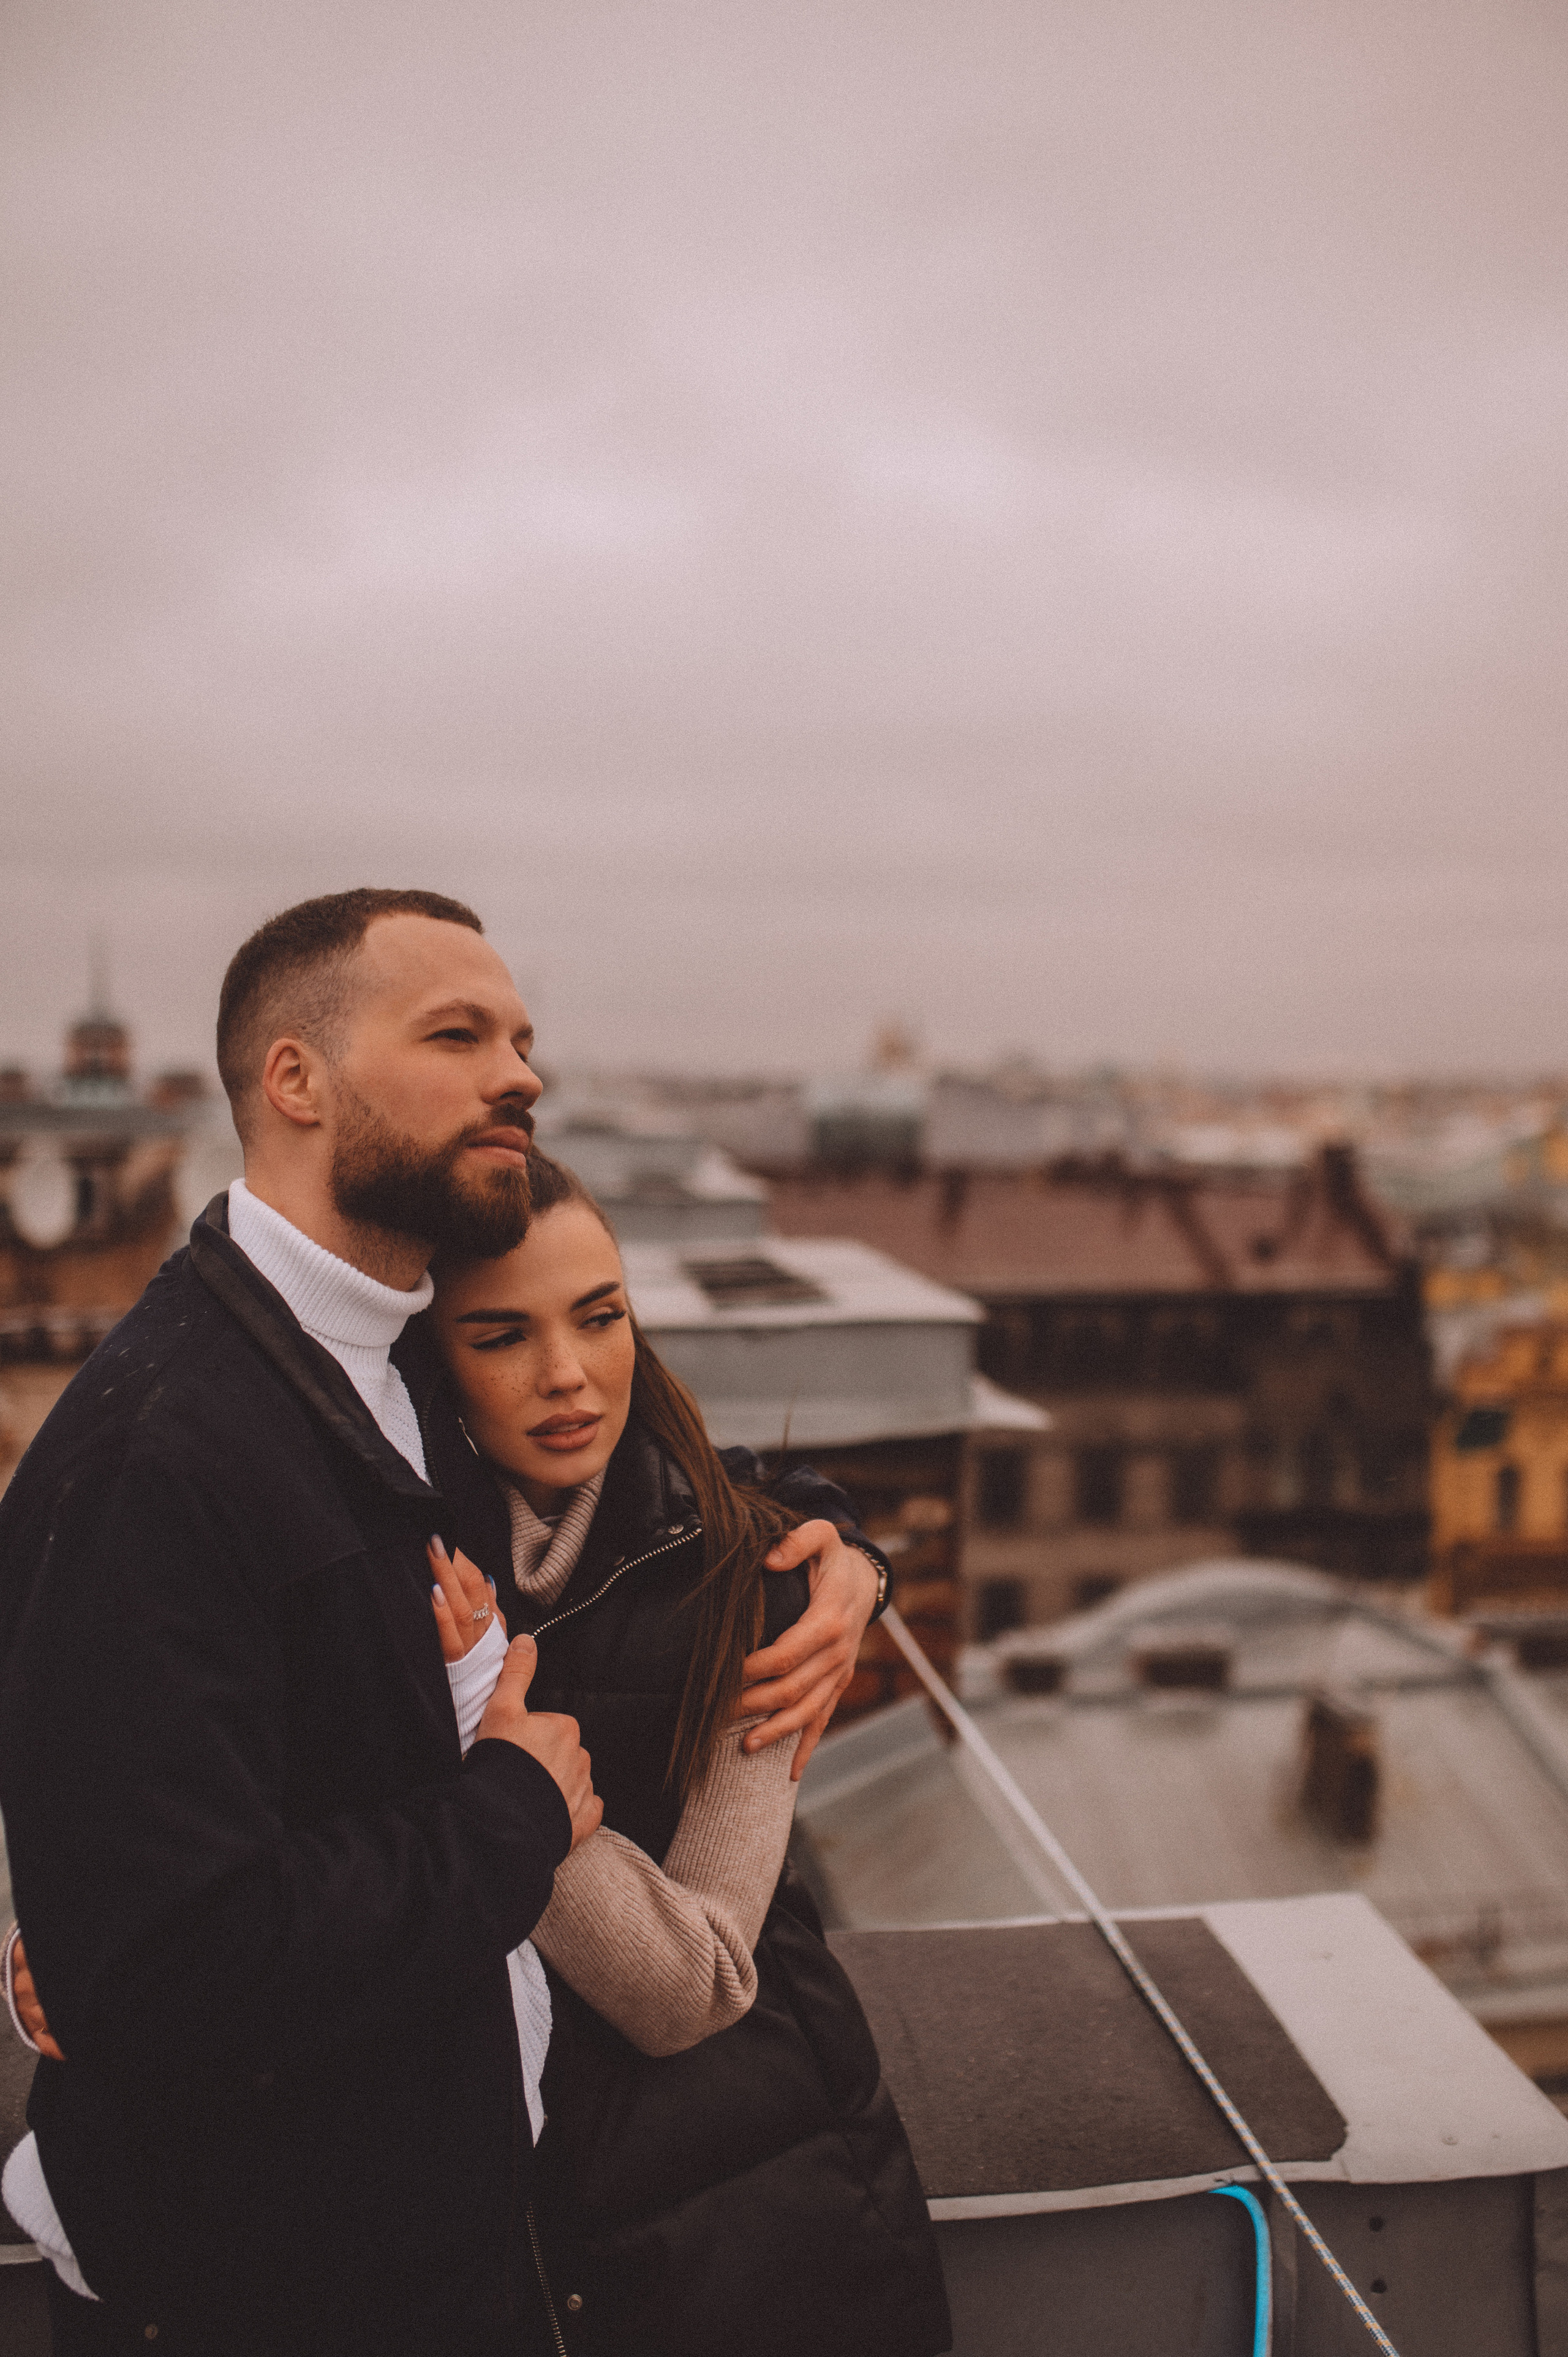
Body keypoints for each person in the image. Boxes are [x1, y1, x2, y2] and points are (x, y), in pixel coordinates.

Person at [0, 889, 889, 2357]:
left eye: (521, 1041)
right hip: (274, 2293)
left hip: (454, 2246)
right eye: (458, 1036)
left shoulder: (384, 1358)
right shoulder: (155, 1457)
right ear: (297, 1079)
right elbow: (169, 1969)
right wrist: (512, 1810)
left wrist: (837, 1545)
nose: (519, 1075)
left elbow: (652, 1475)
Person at [417, 1150, 952, 2356]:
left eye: (600, 1317)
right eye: (500, 1336)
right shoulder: (363, 1578)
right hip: (483, 2253)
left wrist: (499, 1769)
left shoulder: (748, 1579)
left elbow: (694, 1984)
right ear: (426, 1360)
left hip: (755, 2235)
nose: (568, 1374)